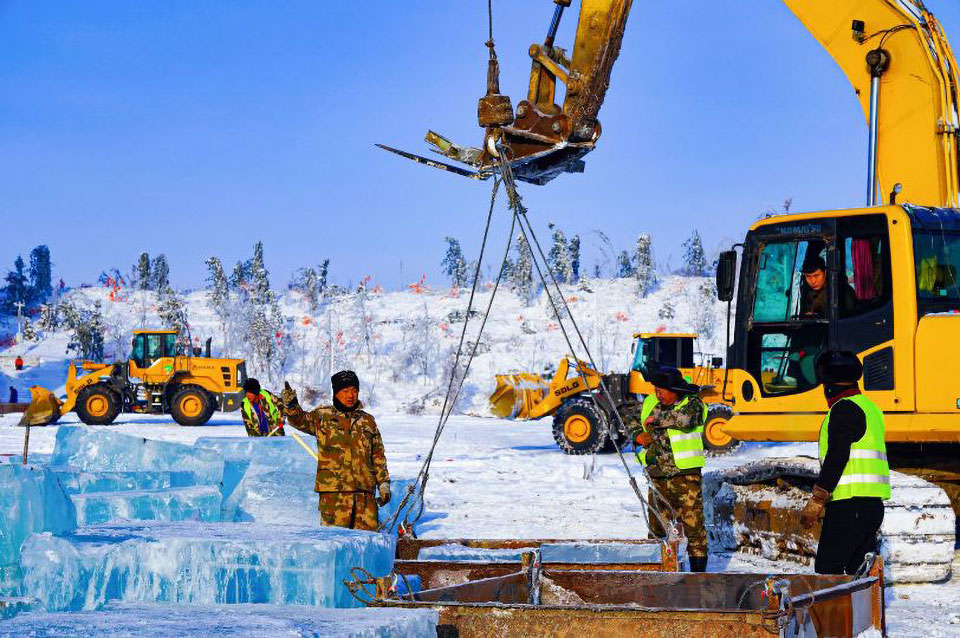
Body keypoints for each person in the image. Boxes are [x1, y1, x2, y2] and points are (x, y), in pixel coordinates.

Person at [800, 350, 889, 575]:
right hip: (872, 506)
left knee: (828, 572)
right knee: (857, 573)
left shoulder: (843, 408)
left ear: (828, 385)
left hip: (849, 506)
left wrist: (818, 498)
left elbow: (838, 455)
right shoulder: (871, 408)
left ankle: (836, 612)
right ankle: (859, 611)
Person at [280, 370, 391, 531]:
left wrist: (384, 483)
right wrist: (291, 405)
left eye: (354, 390)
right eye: (345, 391)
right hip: (334, 495)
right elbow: (299, 420)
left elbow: (378, 454)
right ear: (336, 393)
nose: (350, 395)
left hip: (364, 495)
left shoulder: (367, 421)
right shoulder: (322, 416)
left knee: (367, 544)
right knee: (337, 544)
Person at [631, 366, 709, 572]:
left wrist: (655, 421)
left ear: (674, 389)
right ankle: (657, 571)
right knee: (656, 529)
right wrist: (638, 437)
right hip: (657, 475)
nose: (658, 394)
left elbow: (684, 420)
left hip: (685, 476)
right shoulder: (653, 405)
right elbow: (636, 425)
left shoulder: (693, 404)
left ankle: (698, 576)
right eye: (656, 390)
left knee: (693, 528)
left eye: (661, 390)